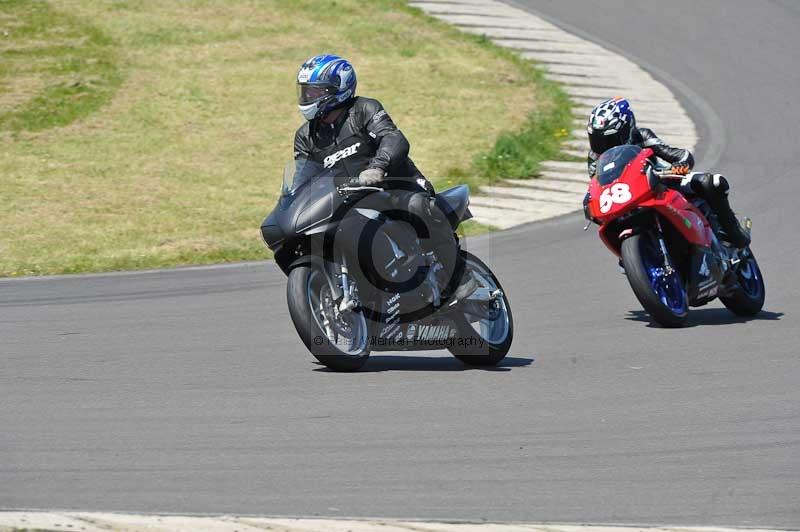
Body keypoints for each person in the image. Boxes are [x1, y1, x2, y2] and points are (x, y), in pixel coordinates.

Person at [293, 54, 476, 302]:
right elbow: (305, 177)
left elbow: (393, 139)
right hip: (349, 201)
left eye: (315, 92)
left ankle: (458, 276)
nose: (307, 98)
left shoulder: (364, 109)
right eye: (305, 92)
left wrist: (377, 167)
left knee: (419, 207)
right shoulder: (306, 136)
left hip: (396, 187)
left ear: (338, 89)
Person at [584, 97, 750, 248]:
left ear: (628, 127)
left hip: (661, 184)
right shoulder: (594, 158)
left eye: (610, 139)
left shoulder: (642, 137)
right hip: (626, 201)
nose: (604, 146)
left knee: (712, 183)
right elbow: (596, 186)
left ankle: (735, 234)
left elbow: (679, 155)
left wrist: (678, 167)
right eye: (597, 140)